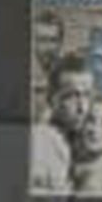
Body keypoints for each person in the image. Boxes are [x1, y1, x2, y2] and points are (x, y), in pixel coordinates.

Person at [29, 52, 94, 194]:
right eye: (71, 96)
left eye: (87, 95)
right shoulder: (38, 143)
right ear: (52, 99)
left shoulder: (81, 140)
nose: (82, 107)